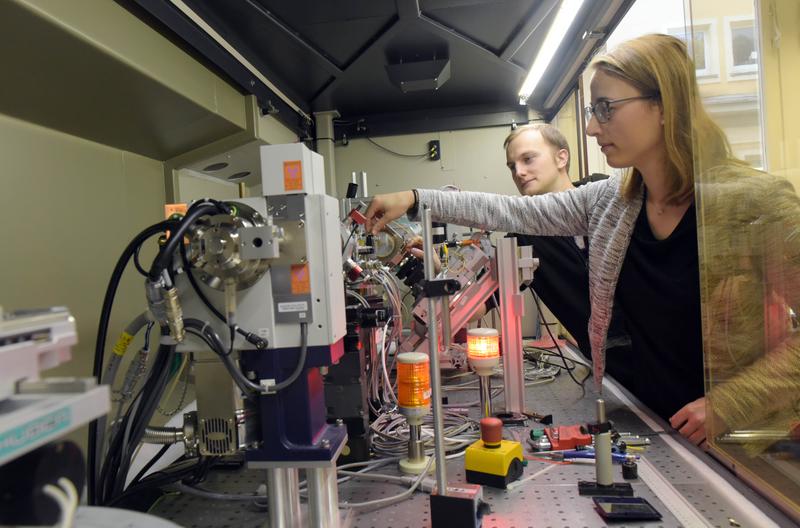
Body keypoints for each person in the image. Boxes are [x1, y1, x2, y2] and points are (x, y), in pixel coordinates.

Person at [365, 34, 728, 446]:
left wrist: (728, 405)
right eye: (592, 111)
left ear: (663, 105)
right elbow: (511, 211)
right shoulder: (614, 200)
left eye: (606, 109)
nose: (591, 127)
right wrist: (415, 199)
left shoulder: (743, 205)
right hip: (650, 411)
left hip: (735, 440)